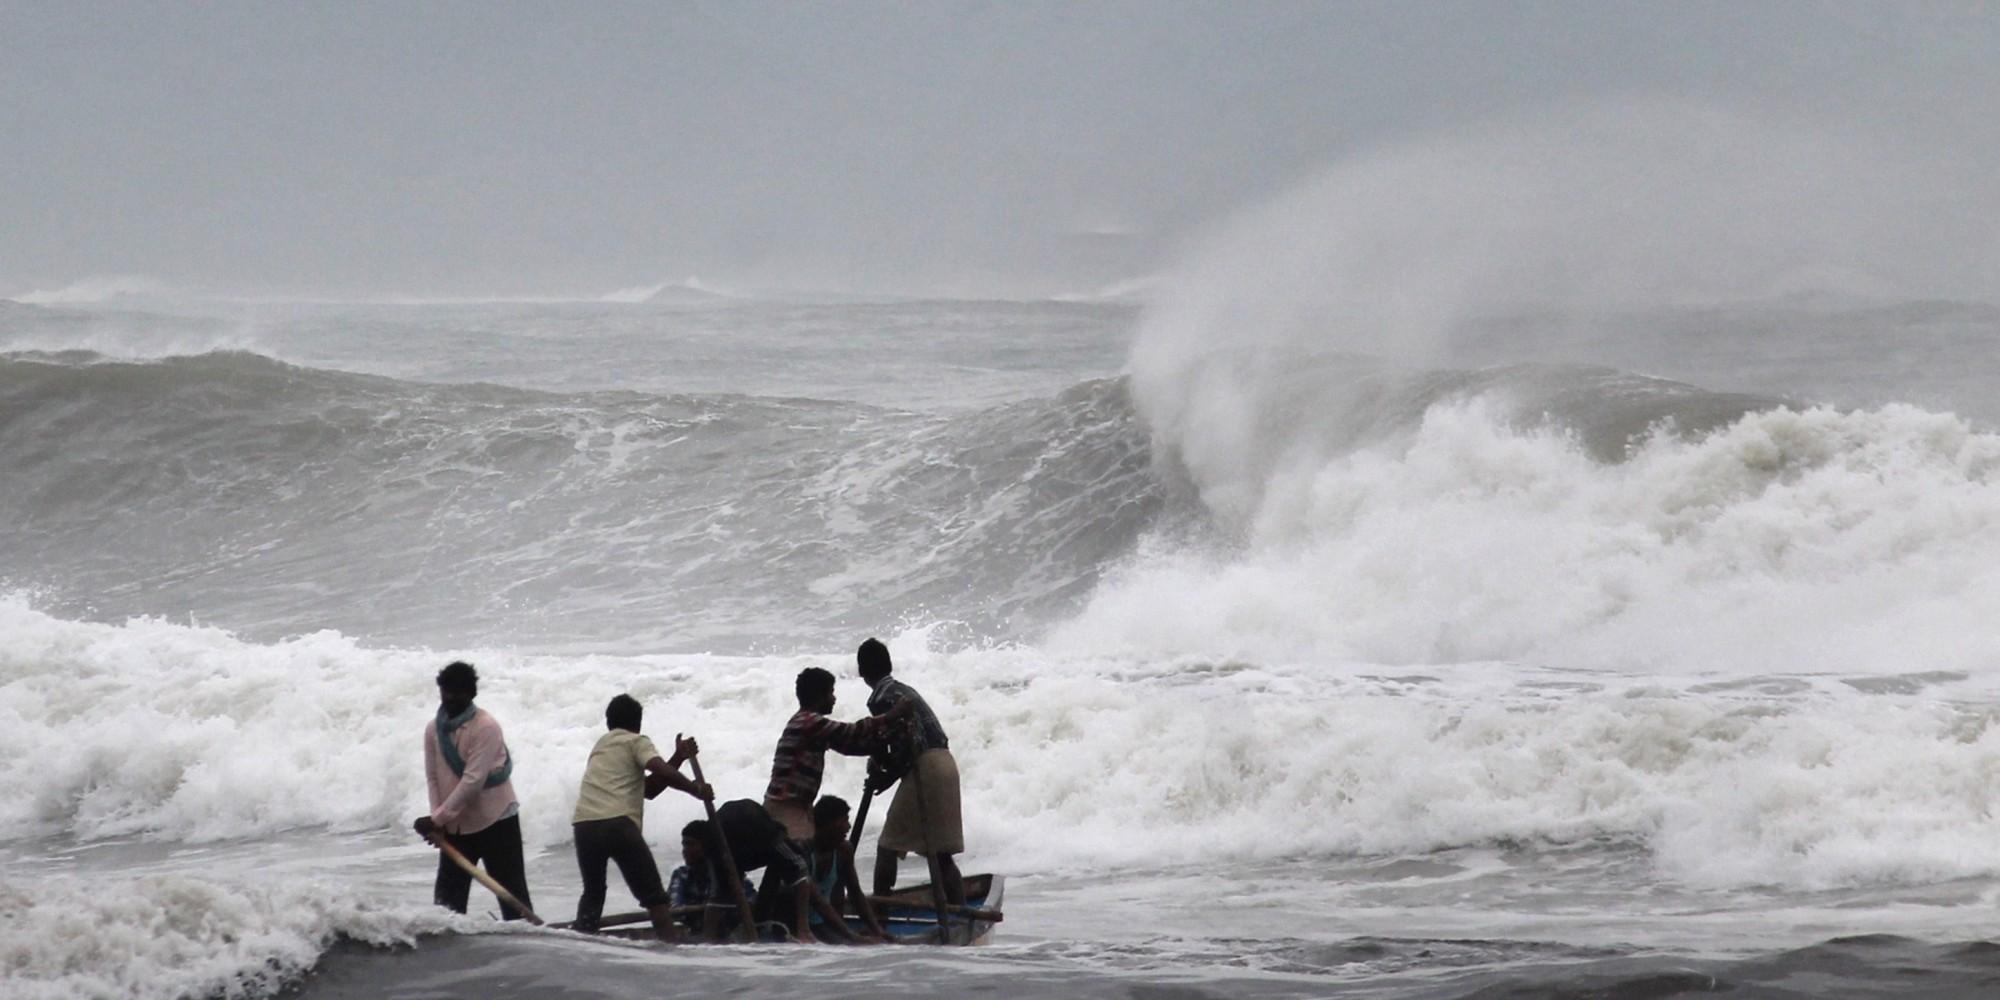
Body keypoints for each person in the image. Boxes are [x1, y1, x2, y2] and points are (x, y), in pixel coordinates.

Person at [569, 693, 712, 940]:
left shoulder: (601, 747)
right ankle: (672, 951)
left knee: (593, 893)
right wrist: (695, 789)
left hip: (584, 826)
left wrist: (678, 757)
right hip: (618, 824)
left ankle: (583, 944)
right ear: (638, 723)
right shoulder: (635, 741)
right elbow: (659, 768)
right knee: (655, 898)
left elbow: (650, 789)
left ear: (609, 723)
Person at [414, 661, 533, 920]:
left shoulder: (486, 727)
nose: (450, 698)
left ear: (471, 694)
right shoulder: (433, 729)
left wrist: (437, 819)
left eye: (457, 693)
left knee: (514, 902)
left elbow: (473, 781)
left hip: (496, 821)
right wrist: (438, 821)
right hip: (455, 825)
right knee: (447, 908)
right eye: (446, 692)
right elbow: (433, 777)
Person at [859, 638, 965, 905]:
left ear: (861, 671)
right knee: (939, 853)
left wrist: (886, 777)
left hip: (925, 766)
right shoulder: (904, 689)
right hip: (945, 764)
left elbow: (908, 746)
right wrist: (885, 768)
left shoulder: (882, 698)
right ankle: (960, 910)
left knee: (888, 846)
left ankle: (880, 911)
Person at [763, 666, 912, 842]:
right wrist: (892, 715)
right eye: (831, 693)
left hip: (794, 805)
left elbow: (850, 746)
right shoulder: (809, 722)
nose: (834, 699)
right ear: (819, 696)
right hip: (786, 807)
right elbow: (853, 731)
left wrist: (886, 737)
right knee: (799, 854)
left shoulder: (807, 724)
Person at [704, 798, 855, 943]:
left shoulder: (775, 847)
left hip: (721, 833)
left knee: (719, 894)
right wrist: (804, 928)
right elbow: (802, 875)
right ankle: (803, 931)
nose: (848, 827)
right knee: (799, 868)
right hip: (734, 829)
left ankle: (709, 939)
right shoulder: (775, 839)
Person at [803, 795, 888, 944]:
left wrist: (877, 930)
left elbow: (855, 893)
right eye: (844, 821)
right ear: (829, 824)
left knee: (878, 942)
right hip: (801, 927)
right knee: (856, 944)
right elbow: (818, 902)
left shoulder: (844, 850)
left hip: (823, 924)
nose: (848, 827)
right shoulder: (804, 851)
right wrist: (851, 936)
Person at [667, 820, 755, 941]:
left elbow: (751, 901)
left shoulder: (729, 874)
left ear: (707, 847)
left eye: (691, 844)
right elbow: (674, 908)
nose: (685, 850)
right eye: (684, 845)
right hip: (696, 937)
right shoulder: (682, 875)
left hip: (729, 938)